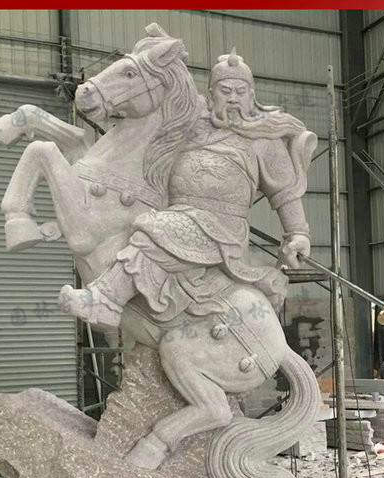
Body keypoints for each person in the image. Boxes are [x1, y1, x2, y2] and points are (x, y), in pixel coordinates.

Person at [59, 49, 317, 328]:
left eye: (240, 91)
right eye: (225, 91)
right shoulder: (191, 122)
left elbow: (285, 192)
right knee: (143, 223)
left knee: (158, 228)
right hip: (176, 209)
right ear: (211, 94)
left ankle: (106, 300)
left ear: (251, 95)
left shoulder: (264, 139)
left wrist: (298, 233)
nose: (233, 98)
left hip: (222, 228)